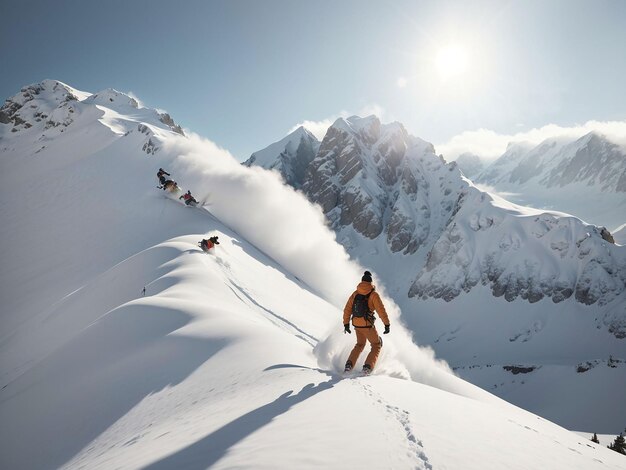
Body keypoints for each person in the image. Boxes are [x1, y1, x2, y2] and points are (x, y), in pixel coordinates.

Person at [343, 270, 390, 375]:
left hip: (356, 324)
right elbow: (381, 310)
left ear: (362, 281)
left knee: (360, 344)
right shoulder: (373, 294)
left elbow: (347, 309)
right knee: (376, 344)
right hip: (367, 325)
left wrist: (346, 324)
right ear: (371, 282)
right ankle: (367, 367)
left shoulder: (355, 294)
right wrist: (386, 324)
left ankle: (349, 365)